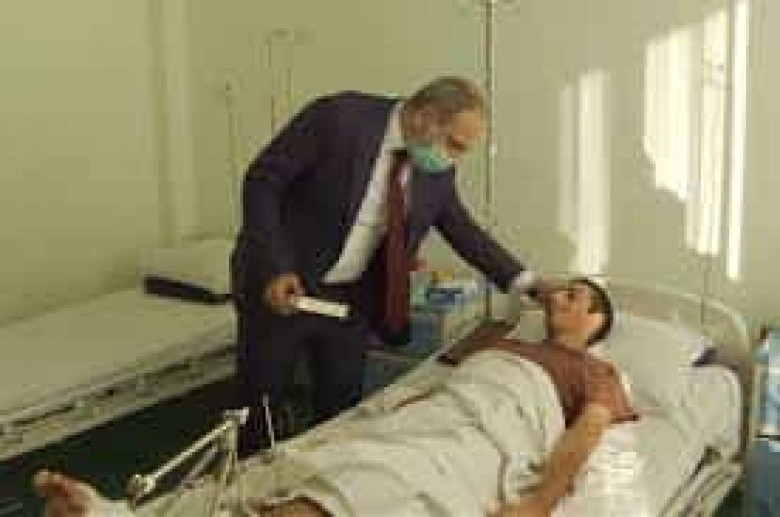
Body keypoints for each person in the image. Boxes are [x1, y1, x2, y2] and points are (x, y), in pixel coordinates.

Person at [34, 278, 637, 517]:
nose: (558, 297)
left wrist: (538, 503)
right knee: (298, 460)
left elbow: (586, 433)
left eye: (575, 297)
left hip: (480, 435)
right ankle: (121, 514)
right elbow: (441, 378)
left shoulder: (597, 371)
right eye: (559, 290)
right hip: (435, 411)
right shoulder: (498, 339)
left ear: (597, 321)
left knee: (363, 483)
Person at [229, 75, 546, 453]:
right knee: (259, 408)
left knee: (340, 408)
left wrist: (529, 283)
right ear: (425, 116)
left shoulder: (436, 168)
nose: (454, 158)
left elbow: (462, 229)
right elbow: (263, 182)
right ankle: (239, 480)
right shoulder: (339, 119)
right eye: (455, 145)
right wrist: (275, 266)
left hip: (350, 299)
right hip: (283, 286)